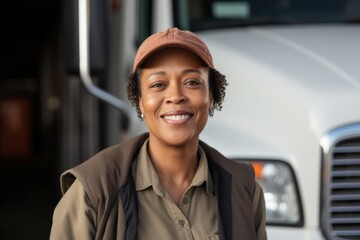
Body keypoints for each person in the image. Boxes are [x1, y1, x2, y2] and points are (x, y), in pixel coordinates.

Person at [50, 28, 267, 240]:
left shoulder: (244, 189)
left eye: (192, 82)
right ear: (140, 101)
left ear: (210, 96)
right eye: (158, 84)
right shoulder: (92, 192)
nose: (175, 96)